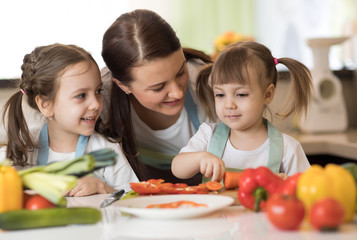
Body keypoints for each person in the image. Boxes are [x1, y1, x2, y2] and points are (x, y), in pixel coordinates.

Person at [0, 43, 138, 196]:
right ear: (46, 105)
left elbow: (133, 202)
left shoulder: (106, 150)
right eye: (81, 95)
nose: (95, 104)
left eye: (98, 91)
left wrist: (105, 189)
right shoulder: (22, 148)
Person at [171, 41, 312, 182]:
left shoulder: (288, 148)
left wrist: (287, 184)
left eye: (241, 94)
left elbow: (307, 190)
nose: (229, 105)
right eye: (220, 95)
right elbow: (177, 168)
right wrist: (200, 158)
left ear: (267, 94)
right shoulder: (209, 135)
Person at [99, 9, 212, 184]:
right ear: (123, 85)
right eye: (158, 88)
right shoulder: (100, 97)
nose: (177, 92)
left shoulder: (207, 85)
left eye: (181, 72)